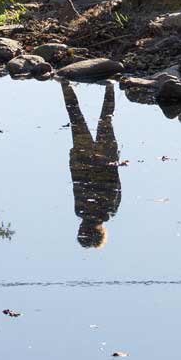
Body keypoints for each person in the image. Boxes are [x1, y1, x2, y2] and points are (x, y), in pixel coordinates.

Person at [62, 81, 121, 249]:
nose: (81, 228)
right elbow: (115, 184)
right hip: (103, 159)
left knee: (76, 118)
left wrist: (73, 161)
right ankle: (110, 85)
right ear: (96, 231)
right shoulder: (109, 210)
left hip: (83, 159)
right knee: (105, 120)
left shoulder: (79, 211)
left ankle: (65, 84)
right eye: (84, 231)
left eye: (80, 231)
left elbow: (77, 185)